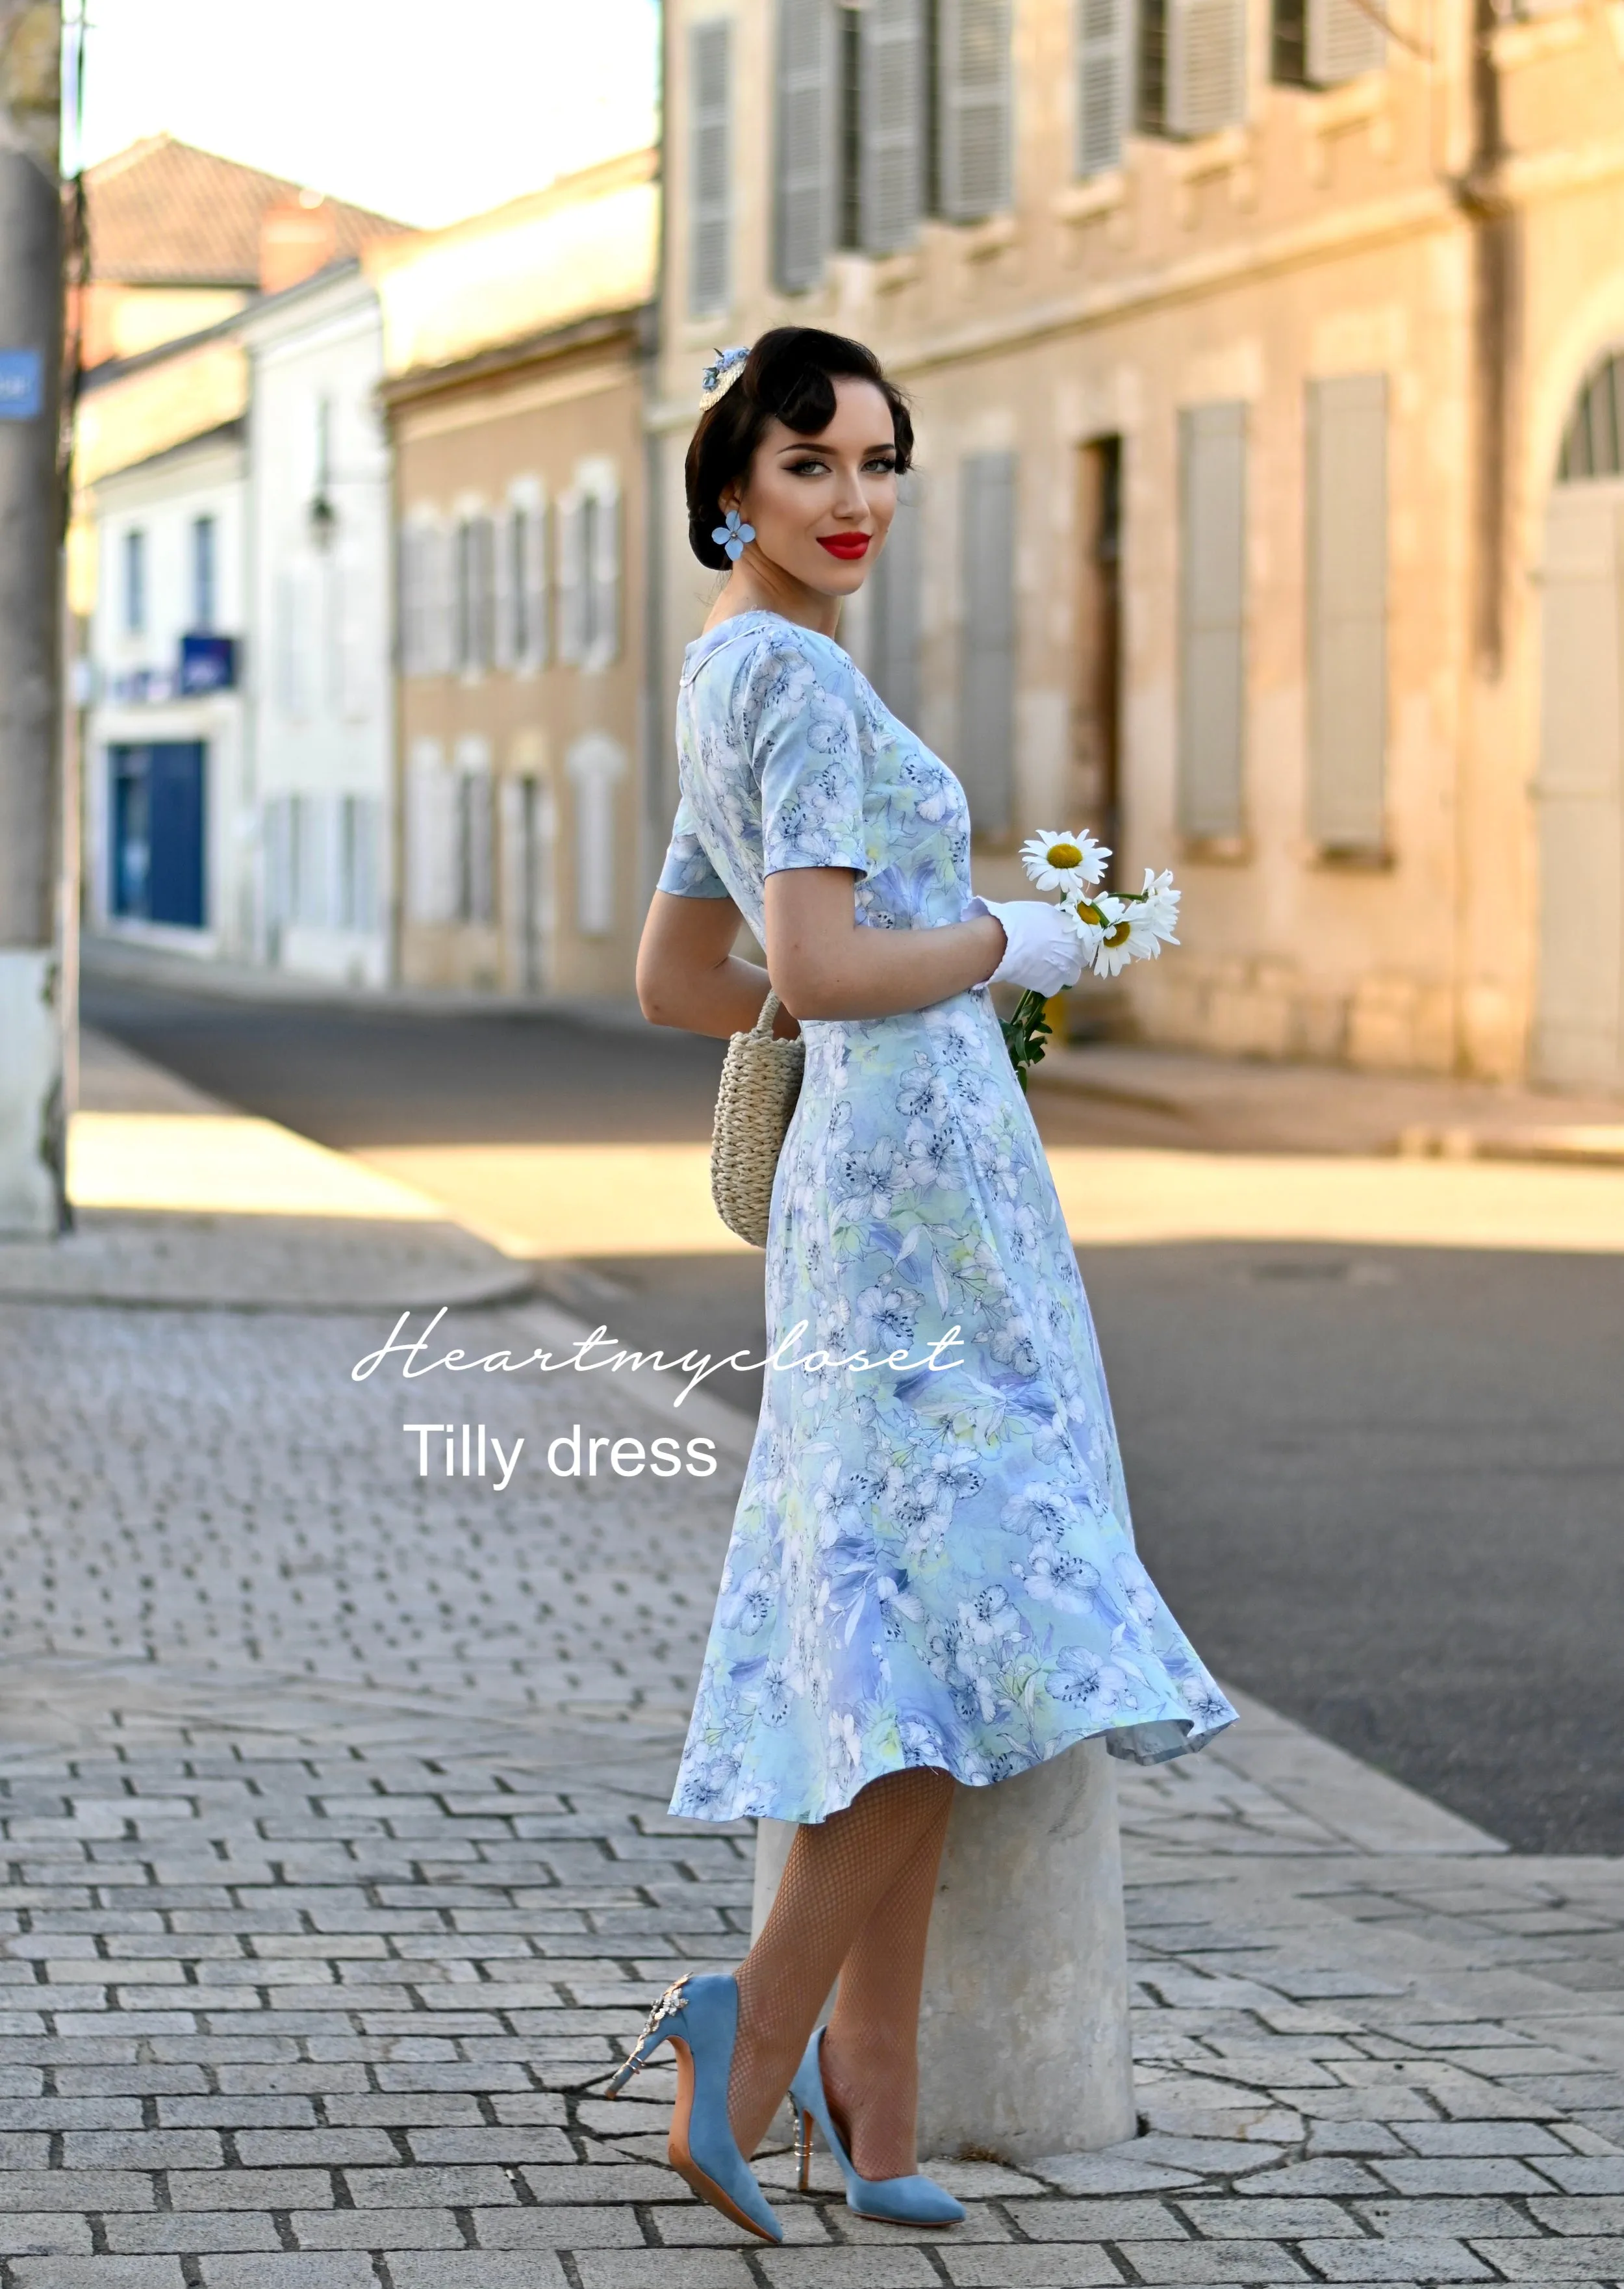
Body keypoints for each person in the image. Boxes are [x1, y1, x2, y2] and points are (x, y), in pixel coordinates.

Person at [616, 327, 1236, 2245]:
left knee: (894, 1630)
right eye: (810, 464)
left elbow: (678, 979)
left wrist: (925, 1010)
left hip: (881, 1184)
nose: (855, 499)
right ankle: (748, 2039)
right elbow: (804, 965)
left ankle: (870, 2121)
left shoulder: (732, 675)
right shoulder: (793, 682)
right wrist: (997, 945)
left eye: (880, 462)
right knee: (971, 1639)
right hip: (914, 1223)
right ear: (731, 485)